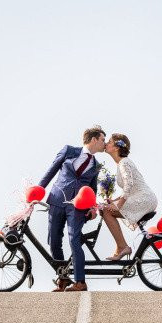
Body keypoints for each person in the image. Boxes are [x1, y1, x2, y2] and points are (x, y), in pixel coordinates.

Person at [39, 125, 106, 292]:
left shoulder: (96, 166)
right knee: (53, 240)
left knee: (73, 239)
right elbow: (51, 171)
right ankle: (62, 278)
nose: (104, 144)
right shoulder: (68, 150)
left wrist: (92, 207)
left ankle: (80, 282)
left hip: (77, 206)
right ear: (94, 139)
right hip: (57, 199)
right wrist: (38, 191)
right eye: (103, 140)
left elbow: (93, 189)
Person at [101, 133, 158, 261]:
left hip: (145, 198)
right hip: (144, 197)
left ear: (116, 147)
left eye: (109, 142)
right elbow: (131, 189)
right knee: (107, 208)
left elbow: (129, 184)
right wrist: (114, 201)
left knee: (106, 211)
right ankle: (120, 247)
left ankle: (122, 247)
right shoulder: (122, 163)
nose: (107, 143)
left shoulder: (124, 162)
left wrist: (118, 205)